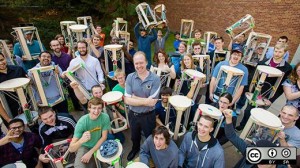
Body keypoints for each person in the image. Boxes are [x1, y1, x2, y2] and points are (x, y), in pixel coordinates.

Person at [236, 43, 292, 131]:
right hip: (256, 92)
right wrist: (249, 91)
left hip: (268, 95)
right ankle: (243, 125)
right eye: (276, 51)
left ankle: (252, 129)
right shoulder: (263, 63)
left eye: (280, 52)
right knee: (248, 110)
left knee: (260, 113)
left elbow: (281, 87)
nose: (277, 54)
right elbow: (253, 78)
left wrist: (271, 99)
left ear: (284, 53)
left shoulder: (287, 68)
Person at [124, 51, 160, 161]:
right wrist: (144, 101)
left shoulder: (155, 79)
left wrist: (134, 98)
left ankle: (148, 152)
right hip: (133, 114)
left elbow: (152, 102)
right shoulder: (130, 77)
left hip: (148, 115)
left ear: (146, 62)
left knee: (149, 136)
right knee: (134, 136)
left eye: (141, 63)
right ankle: (135, 149)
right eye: (136, 63)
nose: (139, 66)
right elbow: (126, 100)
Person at [69, 98, 110, 168]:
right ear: (89, 108)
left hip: (99, 143)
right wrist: (81, 140)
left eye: (99, 108)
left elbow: (104, 137)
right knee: (79, 166)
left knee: (111, 161)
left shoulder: (105, 117)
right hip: (85, 146)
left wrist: (91, 152)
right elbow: (71, 149)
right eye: (94, 108)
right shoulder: (82, 122)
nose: (96, 111)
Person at [50, 39, 81, 111]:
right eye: (54, 46)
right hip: (58, 80)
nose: (56, 47)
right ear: (51, 47)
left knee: (73, 93)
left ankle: (77, 106)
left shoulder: (67, 56)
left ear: (60, 45)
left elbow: (72, 66)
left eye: (57, 45)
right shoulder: (50, 58)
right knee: (62, 95)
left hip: (69, 77)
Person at [0, 52, 27, 124]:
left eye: (2, 60)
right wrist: (8, 119)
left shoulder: (18, 69)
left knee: (34, 127)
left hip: (25, 105)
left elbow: (28, 86)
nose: (1, 63)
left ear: (5, 58)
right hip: (8, 109)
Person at [282, 62, 300, 128]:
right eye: (299, 70)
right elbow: (289, 96)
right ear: (295, 71)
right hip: (289, 114)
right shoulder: (290, 81)